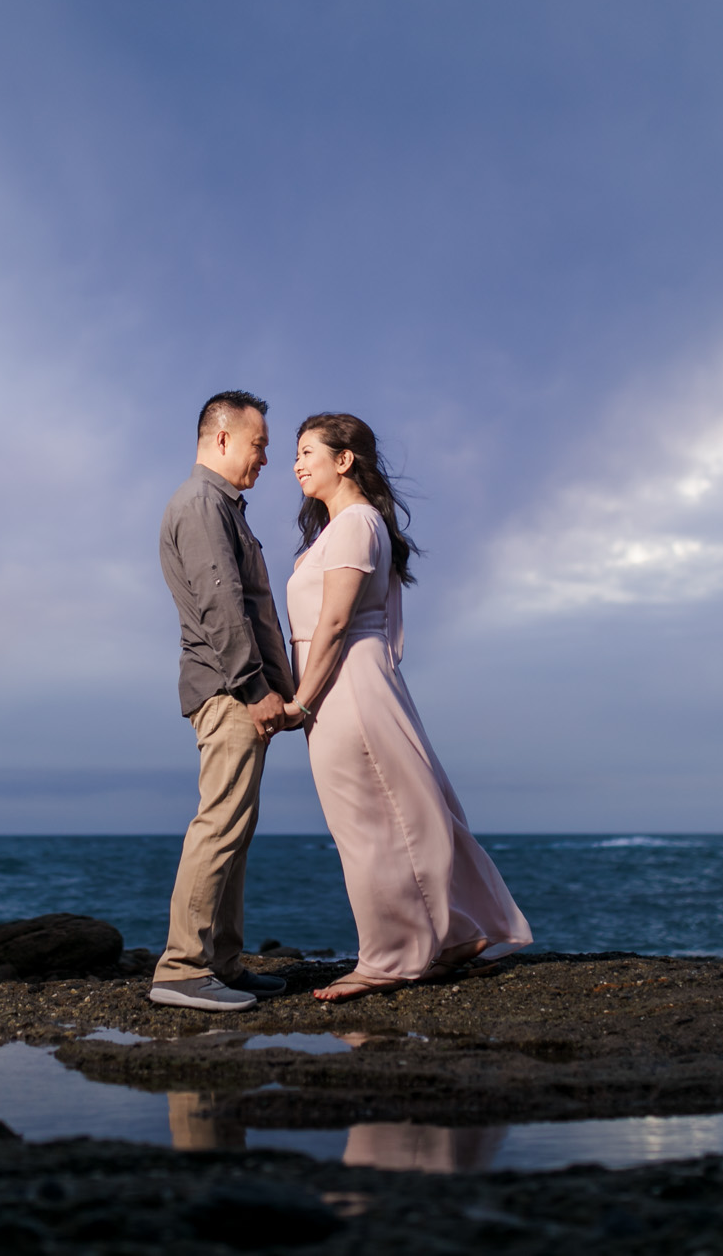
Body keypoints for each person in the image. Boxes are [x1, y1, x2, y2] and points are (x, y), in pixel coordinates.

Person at [284, 413, 531, 1000]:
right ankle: (446, 939)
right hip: (349, 681)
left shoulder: (353, 524)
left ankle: (389, 960)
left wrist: (300, 701)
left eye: (307, 451)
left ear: (344, 460)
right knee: (395, 813)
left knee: (369, 823)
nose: (296, 464)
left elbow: (337, 621)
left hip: (345, 683)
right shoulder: (343, 527)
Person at [151, 390, 301, 1011]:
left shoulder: (222, 507)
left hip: (237, 688)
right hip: (227, 688)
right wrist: (257, 689)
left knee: (236, 827)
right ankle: (183, 969)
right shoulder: (200, 504)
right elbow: (221, 606)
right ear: (221, 439)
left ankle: (223, 963)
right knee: (219, 824)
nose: (265, 458)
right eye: (259, 444)